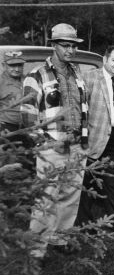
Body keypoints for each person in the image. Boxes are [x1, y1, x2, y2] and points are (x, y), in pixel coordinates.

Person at [22, 23, 89, 257]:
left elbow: (83, 109)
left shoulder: (77, 74)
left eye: (73, 46)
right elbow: (28, 119)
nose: (70, 50)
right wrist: (47, 144)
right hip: (52, 149)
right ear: (54, 45)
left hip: (77, 147)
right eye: (65, 45)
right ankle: (36, 252)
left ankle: (60, 240)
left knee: (70, 196)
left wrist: (83, 140)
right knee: (46, 200)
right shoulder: (36, 75)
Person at [76, 45, 114, 232]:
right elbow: (81, 109)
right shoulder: (91, 77)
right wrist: (81, 137)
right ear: (105, 59)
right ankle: (84, 224)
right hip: (94, 137)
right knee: (86, 181)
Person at [0, 50, 26, 132]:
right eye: (12, 66)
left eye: (20, 65)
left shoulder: (29, 80)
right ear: (4, 65)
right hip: (6, 128)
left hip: (28, 127)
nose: (17, 69)